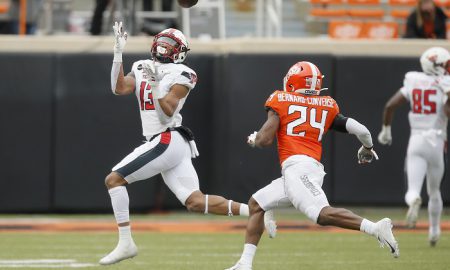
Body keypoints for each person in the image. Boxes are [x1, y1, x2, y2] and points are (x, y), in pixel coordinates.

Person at [99, 21, 275, 265]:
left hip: (167, 137)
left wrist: (153, 86)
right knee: (194, 201)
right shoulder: (141, 66)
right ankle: (257, 212)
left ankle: (126, 242)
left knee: (114, 180)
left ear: (179, 51)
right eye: (162, 42)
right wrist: (117, 53)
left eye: (170, 44)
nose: (164, 47)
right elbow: (119, 88)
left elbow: (167, 113)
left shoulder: (183, 73)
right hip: (168, 142)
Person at [226, 61, 400, 270]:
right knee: (257, 204)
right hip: (304, 168)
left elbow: (265, 140)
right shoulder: (327, 105)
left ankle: (375, 228)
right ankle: (244, 264)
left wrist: (255, 139)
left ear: (292, 81)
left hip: (298, 169)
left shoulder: (280, 100)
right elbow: (362, 130)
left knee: (322, 214)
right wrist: (367, 148)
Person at [378, 47, 450, 246]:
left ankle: (413, 200)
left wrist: (386, 130)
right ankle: (434, 230)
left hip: (416, 139)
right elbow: (447, 111)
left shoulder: (413, 79)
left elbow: (390, 106)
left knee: (412, 188)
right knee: (434, 190)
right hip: (437, 142)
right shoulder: (446, 83)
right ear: (438, 66)